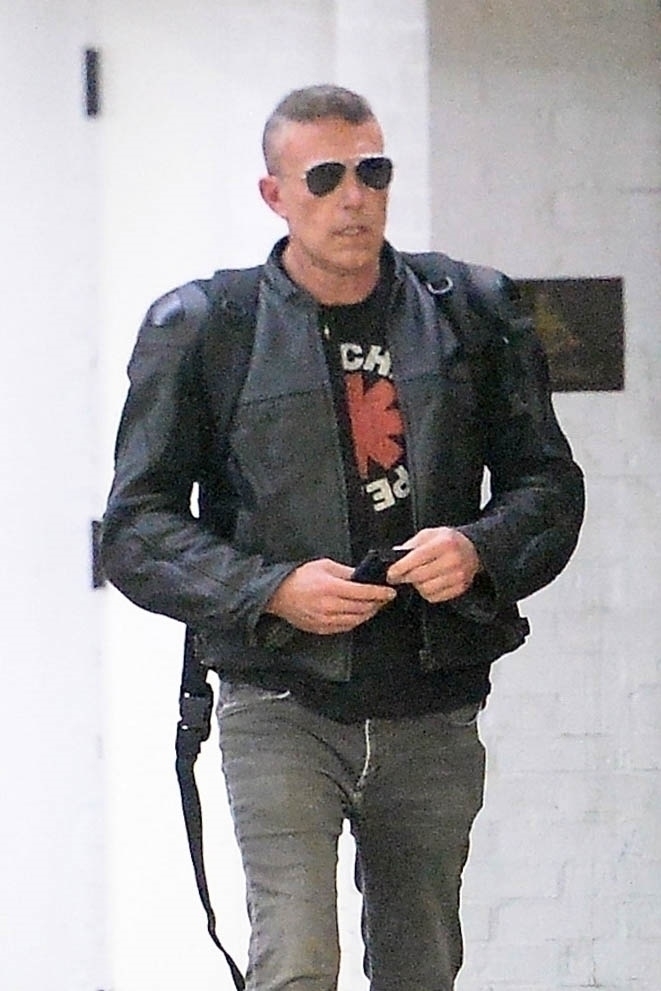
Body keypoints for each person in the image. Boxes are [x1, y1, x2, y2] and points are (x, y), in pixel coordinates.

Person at [101, 84, 585, 991]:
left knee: (420, 963)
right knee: (296, 959)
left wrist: (478, 548)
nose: (353, 197)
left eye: (373, 171)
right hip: (279, 696)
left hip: (430, 697)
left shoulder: (471, 309)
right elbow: (135, 529)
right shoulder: (210, 326)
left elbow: (549, 489)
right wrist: (271, 588)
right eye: (324, 177)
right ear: (274, 194)